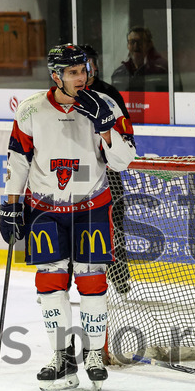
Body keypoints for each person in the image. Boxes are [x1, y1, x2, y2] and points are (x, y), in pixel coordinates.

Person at [0, 44, 137, 391]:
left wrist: (106, 128)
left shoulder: (106, 106)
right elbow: (19, 160)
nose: (82, 77)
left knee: (92, 284)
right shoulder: (30, 109)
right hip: (45, 209)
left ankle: (92, 355)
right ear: (56, 75)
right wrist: (10, 204)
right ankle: (61, 356)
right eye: (73, 72)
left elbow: (124, 160)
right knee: (50, 286)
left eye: (84, 70)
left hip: (92, 207)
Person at [79, 43, 135, 295]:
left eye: (88, 63)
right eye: (79, 65)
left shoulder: (109, 94)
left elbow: (126, 137)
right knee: (75, 220)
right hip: (77, 169)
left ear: (95, 65)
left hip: (108, 169)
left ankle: (120, 279)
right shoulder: (64, 95)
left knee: (114, 222)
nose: (84, 70)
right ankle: (70, 278)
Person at [110, 26, 170, 93]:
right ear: (128, 45)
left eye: (140, 42)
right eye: (132, 42)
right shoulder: (118, 74)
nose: (136, 46)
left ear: (149, 45)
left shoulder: (162, 70)